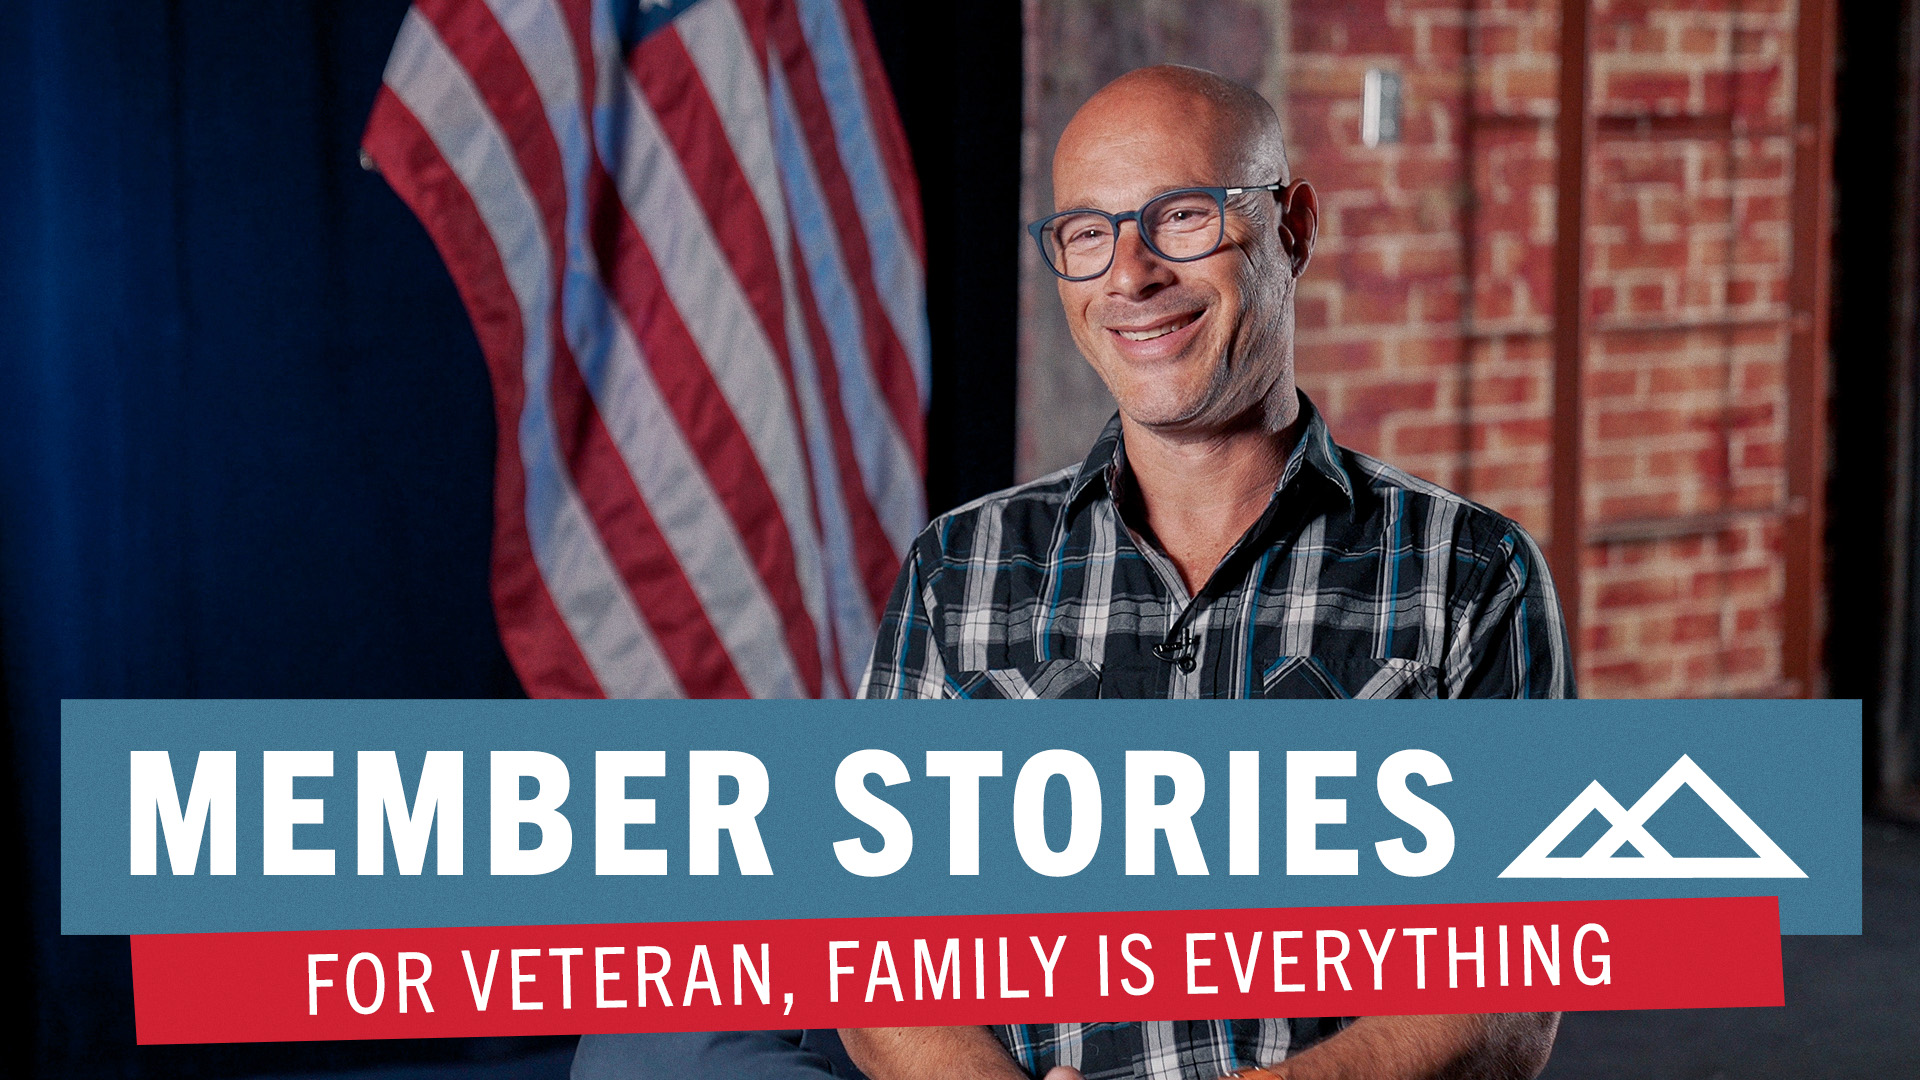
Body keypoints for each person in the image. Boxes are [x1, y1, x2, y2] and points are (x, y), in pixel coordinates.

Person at [574, 63, 1569, 1080]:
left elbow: (1506, 1005)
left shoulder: (1468, 576)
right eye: (1087, 235)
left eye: (1182, 217)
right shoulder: (961, 573)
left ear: (1294, 227)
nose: (1130, 277)